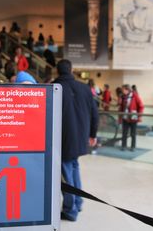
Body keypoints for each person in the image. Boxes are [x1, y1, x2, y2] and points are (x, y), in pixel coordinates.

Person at [52, 59, 98, 221]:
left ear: (57, 71)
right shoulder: (85, 88)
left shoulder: (54, 88)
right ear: (71, 70)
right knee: (74, 167)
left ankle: (70, 210)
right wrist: (92, 134)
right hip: (80, 138)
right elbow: (94, 113)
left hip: (62, 140)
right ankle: (78, 202)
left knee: (66, 173)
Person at [119, 84, 144, 151]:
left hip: (133, 117)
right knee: (124, 132)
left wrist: (139, 116)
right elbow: (121, 108)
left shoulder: (135, 96)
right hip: (125, 117)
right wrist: (120, 118)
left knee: (133, 133)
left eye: (123, 89)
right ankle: (123, 145)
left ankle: (133, 146)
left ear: (127, 89)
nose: (122, 91)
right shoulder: (123, 97)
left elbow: (141, 106)